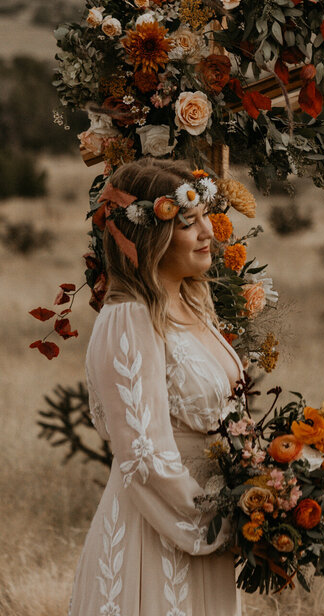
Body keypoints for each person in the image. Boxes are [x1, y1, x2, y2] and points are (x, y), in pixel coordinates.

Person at [69, 158, 242, 616]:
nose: (209, 232)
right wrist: (224, 519)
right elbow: (143, 455)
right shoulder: (128, 318)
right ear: (152, 234)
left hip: (208, 525)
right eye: (189, 222)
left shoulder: (191, 302)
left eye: (207, 216)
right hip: (158, 533)